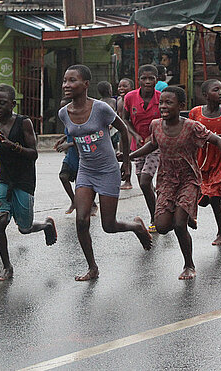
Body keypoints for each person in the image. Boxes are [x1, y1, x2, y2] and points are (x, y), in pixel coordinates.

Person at [130, 86, 221, 280]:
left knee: (180, 225)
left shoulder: (191, 126)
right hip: (166, 180)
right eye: (161, 102)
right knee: (162, 227)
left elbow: (217, 140)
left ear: (181, 106)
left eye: (168, 103)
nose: (163, 106)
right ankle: (183, 213)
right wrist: (130, 156)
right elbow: (153, 144)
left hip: (189, 179)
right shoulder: (155, 125)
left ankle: (188, 265)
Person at [59, 64, 152, 282]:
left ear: (86, 84)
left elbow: (122, 129)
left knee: (109, 226)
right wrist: (66, 143)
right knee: (81, 221)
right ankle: (92, 267)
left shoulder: (101, 109)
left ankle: (137, 226)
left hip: (108, 171)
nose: (66, 85)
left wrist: (126, 163)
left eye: (72, 80)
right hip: (86, 171)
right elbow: (76, 136)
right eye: (65, 80)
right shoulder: (64, 113)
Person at [0, 84, 57, 280]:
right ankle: (7, 267)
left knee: (24, 228)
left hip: (24, 180)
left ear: (13, 104)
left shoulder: (24, 123)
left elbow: (33, 154)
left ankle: (46, 225)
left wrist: (11, 145)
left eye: (2, 103)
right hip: (3, 178)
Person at [189, 80, 221, 246]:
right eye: (216, 90)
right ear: (205, 95)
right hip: (203, 159)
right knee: (203, 198)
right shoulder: (195, 113)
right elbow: (190, 134)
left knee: (213, 197)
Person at [122, 64, 161, 231]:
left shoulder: (162, 97)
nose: (147, 81)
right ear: (138, 80)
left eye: (151, 78)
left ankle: (155, 219)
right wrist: (136, 135)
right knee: (145, 184)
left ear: (156, 80)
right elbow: (125, 119)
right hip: (137, 146)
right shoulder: (130, 97)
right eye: (144, 78)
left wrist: (154, 136)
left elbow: (167, 120)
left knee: (145, 182)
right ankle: (160, 208)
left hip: (156, 145)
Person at [116, 77, 134, 190]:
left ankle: (128, 180)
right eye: (120, 86)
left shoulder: (131, 100)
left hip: (129, 131)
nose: (121, 88)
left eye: (125, 86)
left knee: (127, 155)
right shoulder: (118, 100)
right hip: (121, 131)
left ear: (131, 88)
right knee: (122, 154)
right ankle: (123, 176)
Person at [97, 81, 120, 149]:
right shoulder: (113, 101)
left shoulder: (99, 102)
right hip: (113, 128)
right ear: (110, 90)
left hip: (104, 128)